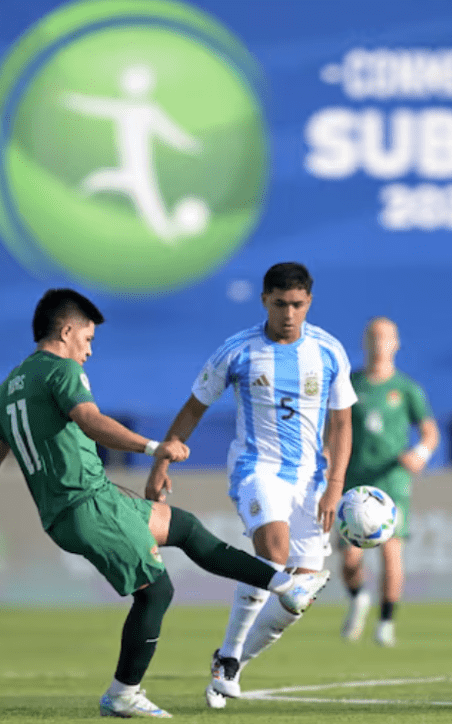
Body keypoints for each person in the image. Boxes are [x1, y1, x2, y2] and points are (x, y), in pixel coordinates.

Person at [0, 288, 328, 719]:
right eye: (88, 339)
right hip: (86, 505)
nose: (89, 351)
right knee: (156, 592)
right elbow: (91, 421)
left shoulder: (7, 390)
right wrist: (155, 446)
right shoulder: (61, 372)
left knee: (185, 528)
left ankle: (286, 584)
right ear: (66, 331)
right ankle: (122, 694)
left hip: (86, 504)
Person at [145, 262, 356, 709]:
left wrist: (335, 485)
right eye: (280, 304)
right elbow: (193, 408)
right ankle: (228, 660)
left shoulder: (329, 352)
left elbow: (342, 423)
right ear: (264, 300)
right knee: (274, 554)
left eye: (297, 304)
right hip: (256, 468)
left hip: (310, 482)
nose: (289, 313)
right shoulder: (237, 351)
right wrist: (163, 459)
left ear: (309, 303)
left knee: (298, 597)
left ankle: (231, 658)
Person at [339, 317, 439, 647]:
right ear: (365, 342)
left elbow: (429, 431)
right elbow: (334, 432)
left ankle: (385, 622)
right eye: (374, 337)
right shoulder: (351, 385)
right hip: (355, 480)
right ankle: (358, 598)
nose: (380, 343)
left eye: (386, 338)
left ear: (396, 344)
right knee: (350, 560)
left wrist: (420, 453)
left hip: (391, 481)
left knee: (391, 552)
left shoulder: (406, 388)